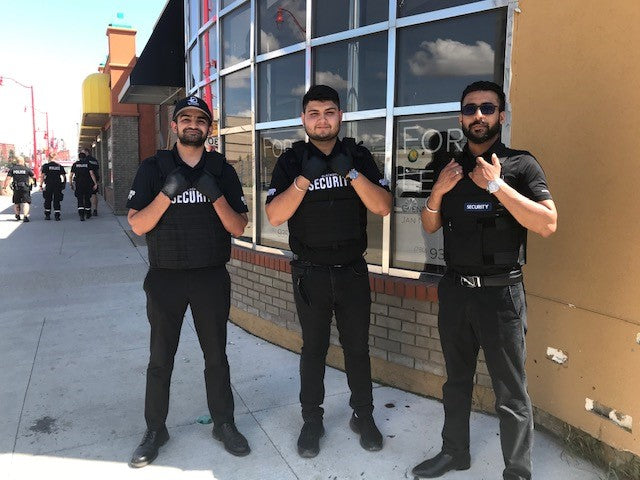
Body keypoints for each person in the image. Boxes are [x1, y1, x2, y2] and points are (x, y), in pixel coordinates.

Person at [412, 81, 558, 480]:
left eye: (488, 108)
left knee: (510, 392)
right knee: (455, 382)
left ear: (501, 116)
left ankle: (517, 471)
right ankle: (454, 453)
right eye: (471, 108)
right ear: (461, 117)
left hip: (501, 296)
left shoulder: (522, 164)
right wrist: (437, 194)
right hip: (457, 293)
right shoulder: (449, 167)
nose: (479, 115)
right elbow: (430, 226)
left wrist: (496, 185)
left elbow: (547, 223)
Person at [265, 85, 392, 458]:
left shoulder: (357, 156)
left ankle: (363, 416)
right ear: (304, 119)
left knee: (357, 349)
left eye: (330, 112)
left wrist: (350, 172)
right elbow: (274, 216)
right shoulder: (290, 161)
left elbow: (383, 206)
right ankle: (312, 421)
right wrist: (304, 179)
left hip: (352, 271)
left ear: (341, 116)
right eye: (314, 113)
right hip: (310, 273)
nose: (323, 120)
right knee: (314, 351)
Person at [126, 95, 250, 468]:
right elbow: (137, 224)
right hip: (165, 278)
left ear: (208, 128)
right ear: (175, 126)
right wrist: (167, 193)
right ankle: (155, 429)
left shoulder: (222, 170)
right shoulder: (153, 167)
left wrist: (216, 198)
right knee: (160, 358)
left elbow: (239, 226)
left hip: (210, 276)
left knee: (216, 356)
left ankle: (224, 423)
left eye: (200, 119)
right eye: (185, 118)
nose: (192, 124)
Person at [3, 155, 36, 222]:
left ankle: (17, 215)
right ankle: (25, 216)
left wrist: (4, 187)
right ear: (23, 161)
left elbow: (8, 179)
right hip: (25, 187)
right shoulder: (26, 169)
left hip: (16, 188)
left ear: (16, 161)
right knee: (26, 202)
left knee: (16, 201)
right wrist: (34, 183)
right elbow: (33, 176)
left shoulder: (13, 169)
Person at [69, 152, 98, 221]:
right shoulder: (88, 164)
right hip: (87, 184)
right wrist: (95, 183)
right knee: (87, 198)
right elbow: (91, 174)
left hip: (79, 184)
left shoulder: (75, 164)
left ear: (79, 157)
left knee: (80, 199)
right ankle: (88, 213)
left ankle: (81, 215)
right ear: (85, 157)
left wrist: (71, 184)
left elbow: (71, 175)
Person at [40, 152, 66, 221]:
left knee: (48, 199)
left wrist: (40, 185)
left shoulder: (46, 166)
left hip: (49, 185)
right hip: (57, 185)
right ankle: (57, 215)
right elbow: (63, 176)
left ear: (49, 157)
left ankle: (47, 215)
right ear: (55, 157)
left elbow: (42, 176)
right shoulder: (59, 166)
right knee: (57, 200)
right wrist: (63, 184)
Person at [83, 148, 101, 216]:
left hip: (87, 179)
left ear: (86, 152)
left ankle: (86, 209)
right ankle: (95, 210)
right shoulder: (95, 160)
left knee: (85, 195)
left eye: (83, 152)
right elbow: (97, 169)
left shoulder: (85, 160)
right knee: (94, 194)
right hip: (95, 179)